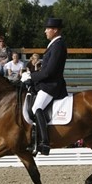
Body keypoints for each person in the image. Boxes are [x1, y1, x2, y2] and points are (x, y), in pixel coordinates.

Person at [22, 18, 68, 156]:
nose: (45, 31)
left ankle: (44, 143)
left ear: (54, 30)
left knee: (37, 107)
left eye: (47, 29)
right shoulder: (53, 45)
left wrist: (31, 76)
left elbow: (49, 72)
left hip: (52, 85)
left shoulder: (58, 45)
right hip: (46, 83)